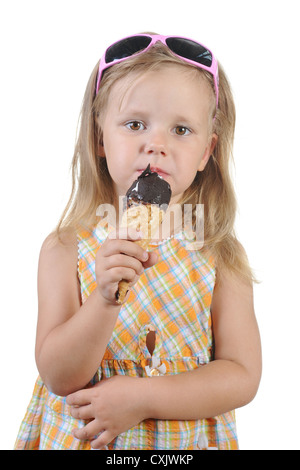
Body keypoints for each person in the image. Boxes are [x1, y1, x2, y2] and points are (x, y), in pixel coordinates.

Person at [14, 33, 261, 450]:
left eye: (181, 129)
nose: (157, 145)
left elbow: (242, 375)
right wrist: (104, 300)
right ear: (99, 139)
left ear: (206, 152)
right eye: (134, 124)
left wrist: (143, 398)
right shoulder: (65, 248)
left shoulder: (219, 253)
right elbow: (58, 375)